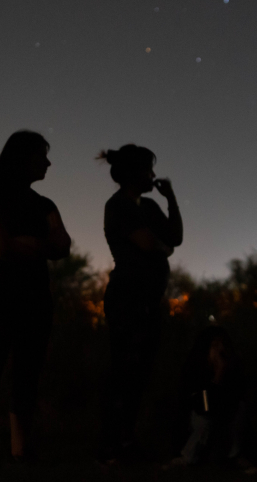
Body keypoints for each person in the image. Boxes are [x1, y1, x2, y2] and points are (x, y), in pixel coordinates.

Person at [0, 131, 71, 467]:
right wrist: (40, 244)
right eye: (42, 156)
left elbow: (63, 246)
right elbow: (1, 247)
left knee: (27, 375)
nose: (48, 163)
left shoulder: (45, 204)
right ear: (23, 158)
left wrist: (29, 243)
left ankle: (20, 451)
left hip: (35, 299)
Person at [97, 144, 183, 463]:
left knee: (140, 371)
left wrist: (170, 198)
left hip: (148, 298)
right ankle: (112, 444)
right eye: (148, 170)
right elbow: (149, 244)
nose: (153, 175)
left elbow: (174, 238)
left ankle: (125, 441)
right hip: (127, 298)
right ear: (134, 173)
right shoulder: (118, 205)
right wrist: (161, 248)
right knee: (124, 370)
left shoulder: (147, 206)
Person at [170, 325, 253, 472]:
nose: (219, 349)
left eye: (222, 344)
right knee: (204, 421)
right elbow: (204, 407)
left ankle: (234, 456)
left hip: (223, 417)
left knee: (240, 410)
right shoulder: (196, 368)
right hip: (198, 418)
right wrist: (217, 377)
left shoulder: (232, 367)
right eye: (214, 345)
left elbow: (234, 399)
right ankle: (187, 457)